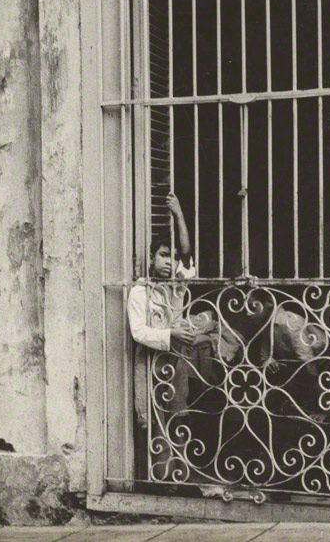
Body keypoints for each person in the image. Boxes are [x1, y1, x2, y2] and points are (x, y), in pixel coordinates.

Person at [127, 192, 213, 481]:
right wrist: (171, 333)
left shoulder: (176, 286)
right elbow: (138, 332)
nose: (169, 262)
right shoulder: (141, 291)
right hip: (152, 362)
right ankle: (159, 479)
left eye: (172, 257)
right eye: (164, 255)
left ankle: (180, 476)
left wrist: (179, 215)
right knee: (154, 420)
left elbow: (187, 254)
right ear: (152, 257)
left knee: (178, 415)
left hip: (176, 361)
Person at [246, 289, 329, 422]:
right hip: (299, 369)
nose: (247, 313)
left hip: (323, 368)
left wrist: (325, 409)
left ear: (269, 302)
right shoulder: (267, 324)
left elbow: (310, 365)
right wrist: (269, 360)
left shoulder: (289, 322)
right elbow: (265, 356)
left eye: (252, 307)